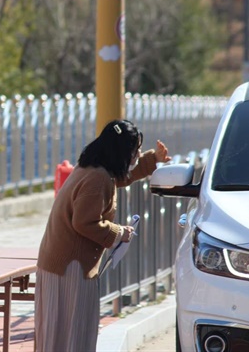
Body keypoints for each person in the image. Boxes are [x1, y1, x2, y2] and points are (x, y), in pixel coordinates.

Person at [34, 119, 171, 351]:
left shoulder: (93, 168)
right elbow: (85, 223)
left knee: (58, 335)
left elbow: (121, 178)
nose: (136, 155)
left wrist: (152, 159)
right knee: (72, 334)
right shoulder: (98, 179)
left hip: (61, 264)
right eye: (135, 150)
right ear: (121, 151)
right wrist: (120, 233)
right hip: (70, 268)